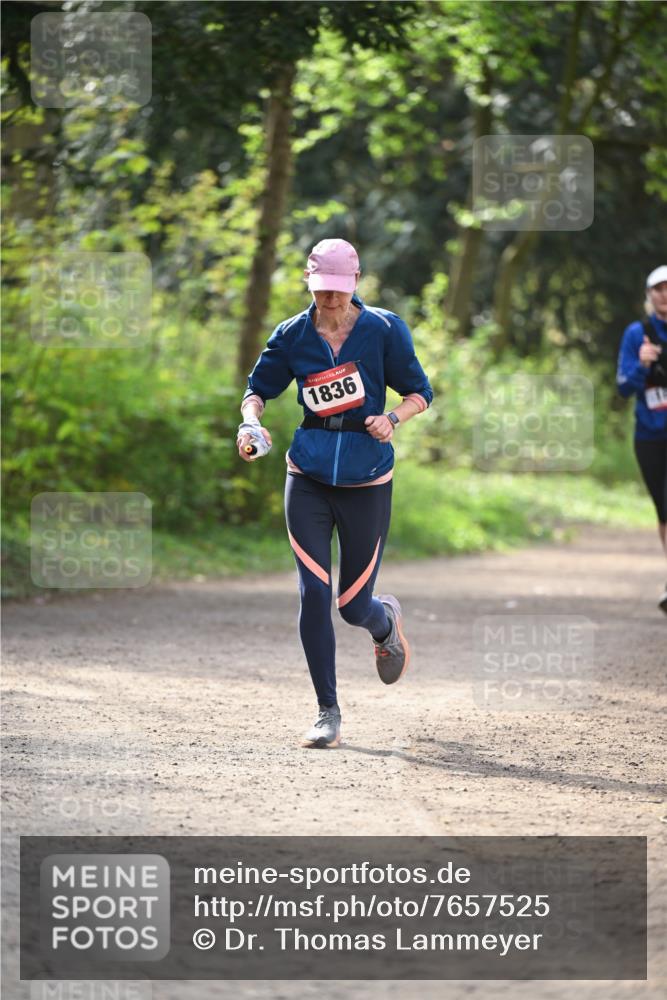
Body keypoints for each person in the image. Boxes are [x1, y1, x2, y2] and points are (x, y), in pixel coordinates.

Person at [237, 238, 433, 746]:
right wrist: (250, 423)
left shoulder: (384, 329)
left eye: (339, 290)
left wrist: (392, 419)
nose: (330, 299)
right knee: (314, 592)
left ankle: (384, 623)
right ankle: (328, 712)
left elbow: (420, 393)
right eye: (322, 289)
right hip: (307, 475)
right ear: (309, 282)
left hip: (367, 480)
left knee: (351, 605)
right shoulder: (293, 334)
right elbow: (257, 391)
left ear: (356, 282)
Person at [616, 264, 667, 614]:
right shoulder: (637, 334)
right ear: (649, 295)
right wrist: (642, 365)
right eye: (658, 289)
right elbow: (623, 387)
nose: (665, 295)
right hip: (649, 435)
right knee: (664, 510)